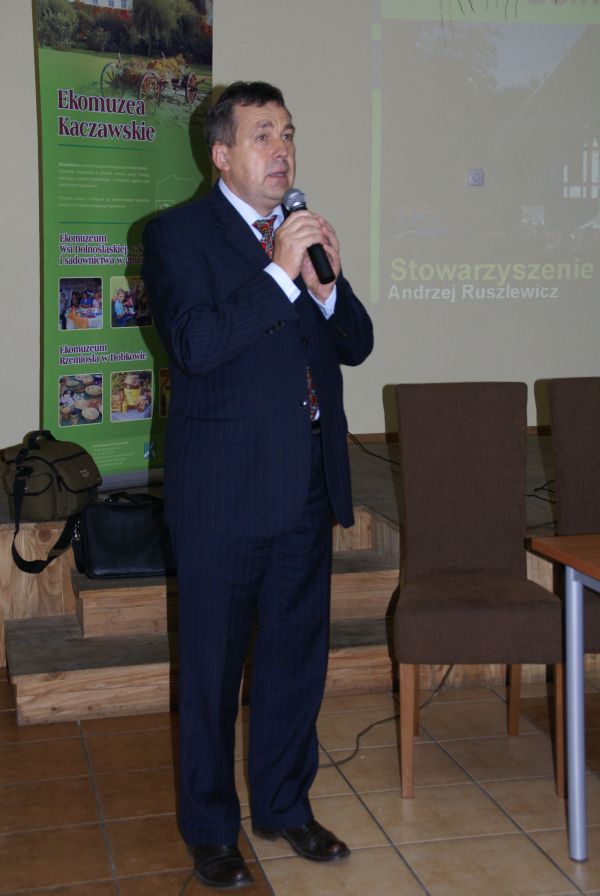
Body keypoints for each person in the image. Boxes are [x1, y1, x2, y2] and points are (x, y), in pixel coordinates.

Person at [142, 81, 373, 890]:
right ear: (221, 154)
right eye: (263, 134)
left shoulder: (301, 237)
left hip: (305, 485)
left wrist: (327, 288)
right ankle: (212, 830)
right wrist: (277, 276)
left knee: (294, 663)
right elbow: (196, 345)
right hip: (223, 498)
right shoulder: (177, 236)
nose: (282, 150)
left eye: (289, 134)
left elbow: (356, 345)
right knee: (210, 674)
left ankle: (284, 806)